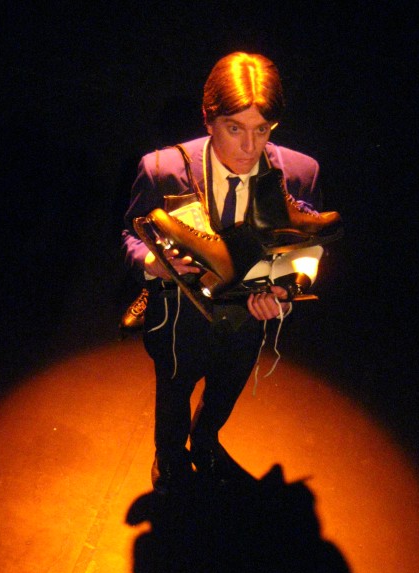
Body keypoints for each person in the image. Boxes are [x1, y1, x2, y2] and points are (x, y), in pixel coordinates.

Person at [122, 51, 337, 493]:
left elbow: (308, 245)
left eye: (262, 130)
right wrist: (152, 264)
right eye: (234, 128)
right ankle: (169, 458)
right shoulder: (162, 169)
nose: (249, 147)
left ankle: (206, 441)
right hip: (181, 314)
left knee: (227, 388)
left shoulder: (298, 172)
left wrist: (285, 291)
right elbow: (129, 233)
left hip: (248, 316)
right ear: (208, 118)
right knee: (175, 393)